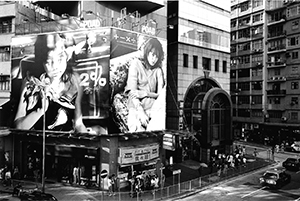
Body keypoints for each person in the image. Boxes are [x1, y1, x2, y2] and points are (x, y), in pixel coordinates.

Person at [14, 33, 87, 132]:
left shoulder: (74, 81)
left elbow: (78, 124)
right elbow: (18, 127)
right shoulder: (30, 83)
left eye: (60, 58)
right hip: (37, 143)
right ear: (42, 62)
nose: (55, 66)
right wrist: (39, 110)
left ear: (67, 57)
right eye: (49, 61)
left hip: (65, 143)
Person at [125, 37, 165, 132]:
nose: (154, 59)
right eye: (152, 54)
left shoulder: (158, 71)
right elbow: (132, 92)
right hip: (136, 107)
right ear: (147, 52)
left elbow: (161, 95)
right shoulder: (136, 64)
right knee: (136, 130)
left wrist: (145, 93)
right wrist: (140, 111)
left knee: (156, 132)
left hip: (153, 108)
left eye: (157, 56)